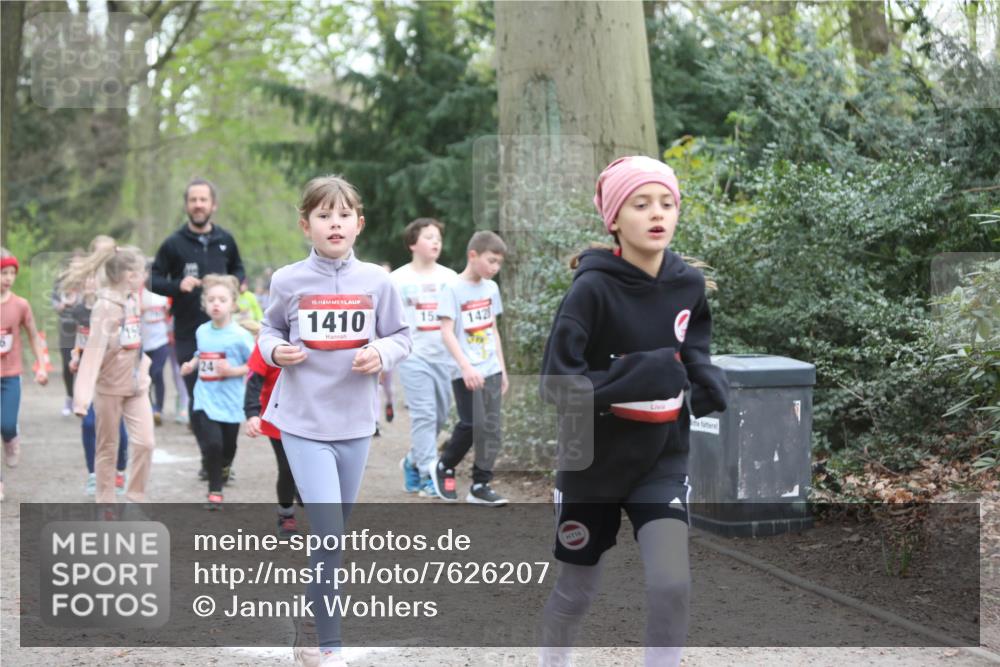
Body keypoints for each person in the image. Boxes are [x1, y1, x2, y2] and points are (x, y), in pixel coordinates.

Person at [537, 156, 729, 667]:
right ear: (615, 219)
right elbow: (557, 386)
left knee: (672, 584)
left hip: (661, 458)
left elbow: (692, 344)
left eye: (666, 203)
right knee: (577, 590)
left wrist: (701, 374)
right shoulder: (591, 290)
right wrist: (633, 377)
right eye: (641, 204)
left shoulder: (687, 283)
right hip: (591, 465)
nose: (656, 213)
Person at [258, 174, 410, 667]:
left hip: (355, 425)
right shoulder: (287, 281)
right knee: (328, 534)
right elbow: (267, 329)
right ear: (307, 225)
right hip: (303, 422)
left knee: (333, 539)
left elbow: (402, 336)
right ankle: (329, 647)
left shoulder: (378, 282)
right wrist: (276, 350)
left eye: (344, 214)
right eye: (324, 215)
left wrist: (380, 352)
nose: (335, 223)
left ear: (359, 224)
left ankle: (305, 631)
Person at [150, 178, 245, 422]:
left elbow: (239, 269)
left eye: (203, 200)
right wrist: (177, 285)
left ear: (213, 205)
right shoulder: (174, 243)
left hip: (223, 328)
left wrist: (233, 287)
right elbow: (152, 279)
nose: (198, 205)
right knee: (195, 385)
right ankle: (202, 425)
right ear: (186, 206)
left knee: (221, 381)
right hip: (188, 328)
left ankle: (218, 428)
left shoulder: (225, 240)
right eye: (193, 200)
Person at [69, 244, 156, 504]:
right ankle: (106, 503)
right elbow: (92, 354)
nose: (145, 277)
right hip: (108, 388)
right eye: (142, 272)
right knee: (108, 447)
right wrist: (82, 399)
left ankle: (135, 497)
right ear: (130, 275)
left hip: (137, 386)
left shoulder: (134, 298)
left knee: (145, 443)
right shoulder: (104, 307)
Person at [431, 231, 509, 506]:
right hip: (464, 369)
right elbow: (446, 331)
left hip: (491, 367)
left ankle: (480, 485)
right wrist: (465, 366)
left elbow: (492, 329)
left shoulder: (491, 289)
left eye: (499, 263)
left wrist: (502, 368)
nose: (495, 268)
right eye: (491, 261)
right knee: (472, 423)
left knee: (492, 428)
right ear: (473, 255)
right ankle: (444, 465)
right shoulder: (452, 289)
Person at [389, 218, 457, 496]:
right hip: (413, 356)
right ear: (412, 243)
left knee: (440, 416)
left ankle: (412, 461)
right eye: (429, 237)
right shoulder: (396, 280)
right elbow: (386, 319)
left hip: (445, 357)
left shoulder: (451, 279)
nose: (436, 242)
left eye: (438, 237)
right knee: (425, 416)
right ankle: (430, 474)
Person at [179, 274, 253, 509]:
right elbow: (202, 353)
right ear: (205, 304)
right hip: (206, 396)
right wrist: (192, 364)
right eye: (211, 299)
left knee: (228, 447)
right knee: (212, 444)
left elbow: (254, 365)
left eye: (222, 299)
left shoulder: (240, 335)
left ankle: (225, 466)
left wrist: (232, 371)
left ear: (232, 304)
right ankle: (215, 491)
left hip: (230, 399)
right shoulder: (202, 331)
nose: (216, 304)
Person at [68, 272, 130, 495]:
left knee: (116, 424)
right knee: (87, 423)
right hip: (89, 372)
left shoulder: (117, 307)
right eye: (87, 279)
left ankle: (120, 471)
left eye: (94, 279)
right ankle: (93, 475)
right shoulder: (79, 311)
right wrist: (76, 356)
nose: (90, 284)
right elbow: (81, 339)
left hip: (112, 373)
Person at [242, 318, 301, 536]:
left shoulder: (315, 335)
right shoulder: (268, 342)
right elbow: (254, 380)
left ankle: (304, 491)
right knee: (287, 468)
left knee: (308, 466)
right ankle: (286, 515)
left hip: (310, 415)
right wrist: (251, 414)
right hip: (277, 416)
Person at [0, 248, 50, 500]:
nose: (8, 278)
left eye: (11, 273)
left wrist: (41, 366)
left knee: (6, 423)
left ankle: (11, 438)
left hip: (10, 375)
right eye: (2, 272)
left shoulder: (20, 305)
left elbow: (32, 335)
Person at [141, 260, 172, 426]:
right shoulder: (139, 293)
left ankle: (158, 409)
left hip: (161, 340)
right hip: (143, 343)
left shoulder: (164, 293)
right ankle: (147, 407)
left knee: (157, 372)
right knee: (145, 376)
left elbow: (171, 312)